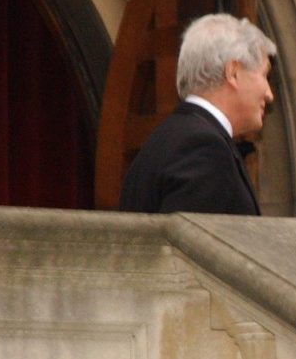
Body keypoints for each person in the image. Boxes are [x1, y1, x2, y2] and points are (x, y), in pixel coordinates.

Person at [118, 13, 276, 215]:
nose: (269, 94)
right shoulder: (204, 148)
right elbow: (193, 244)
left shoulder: (169, 137)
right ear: (233, 71)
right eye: (264, 75)